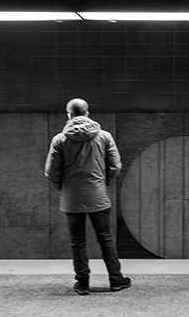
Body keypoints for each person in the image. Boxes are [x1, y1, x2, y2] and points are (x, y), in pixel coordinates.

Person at [45, 98, 131, 295]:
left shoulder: (59, 140)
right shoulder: (104, 137)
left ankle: (83, 283)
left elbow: (51, 172)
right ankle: (116, 279)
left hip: (72, 198)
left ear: (69, 115)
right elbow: (115, 166)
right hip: (98, 195)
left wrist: (61, 185)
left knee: (78, 241)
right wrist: (104, 180)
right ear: (87, 113)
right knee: (106, 239)